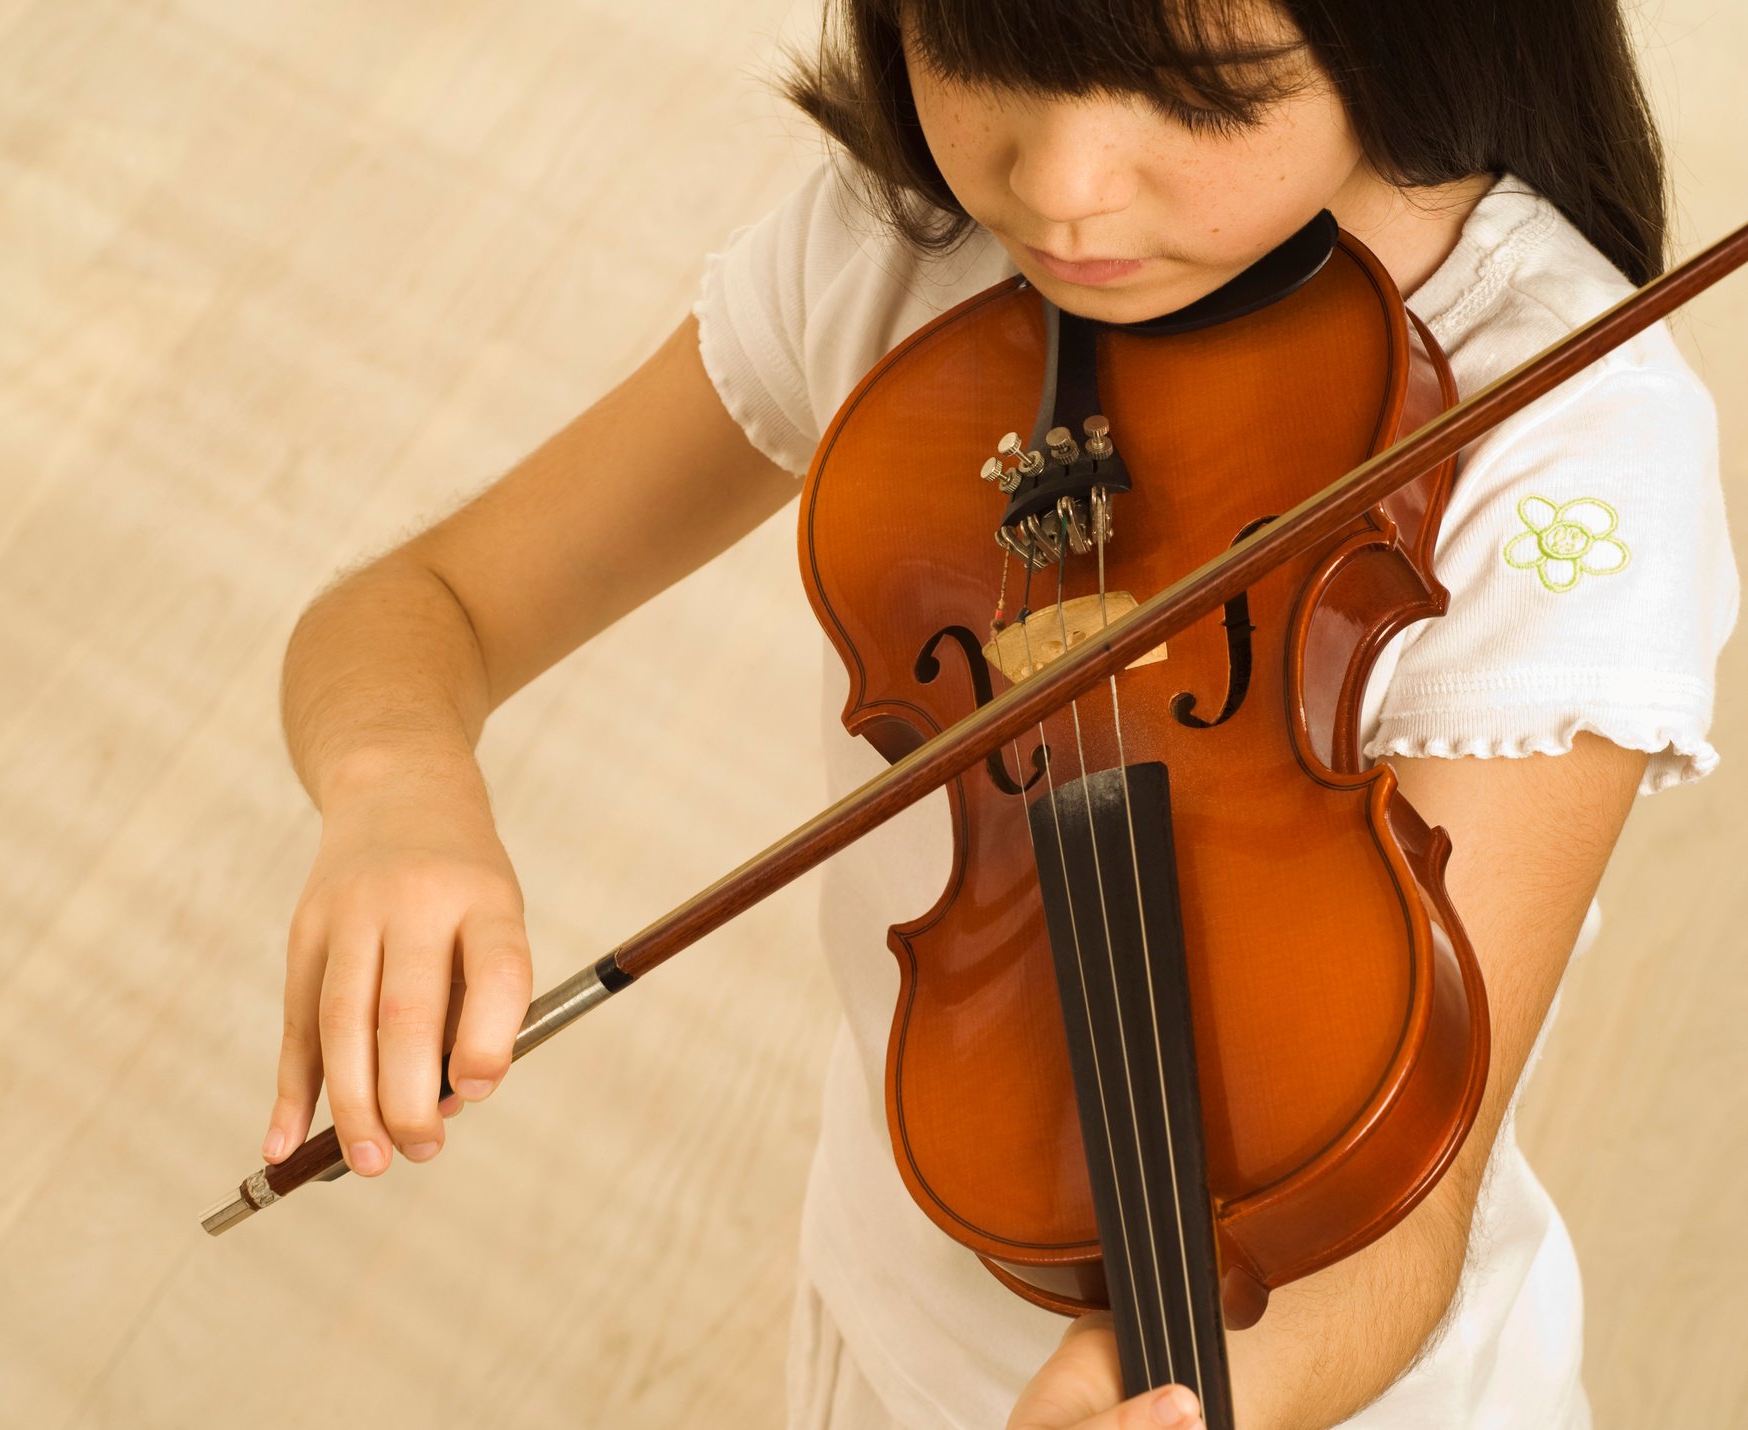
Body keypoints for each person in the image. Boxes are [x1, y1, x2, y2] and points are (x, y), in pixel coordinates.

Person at [261, 1, 1738, 1426]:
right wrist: (398, 779)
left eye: (1205, 81)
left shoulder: (1570, 448)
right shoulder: (907, 249)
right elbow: (426, 604)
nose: (1064, 190)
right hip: (887, 1300)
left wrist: (1197, 1395)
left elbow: (1398, 1224)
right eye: (978, 42)